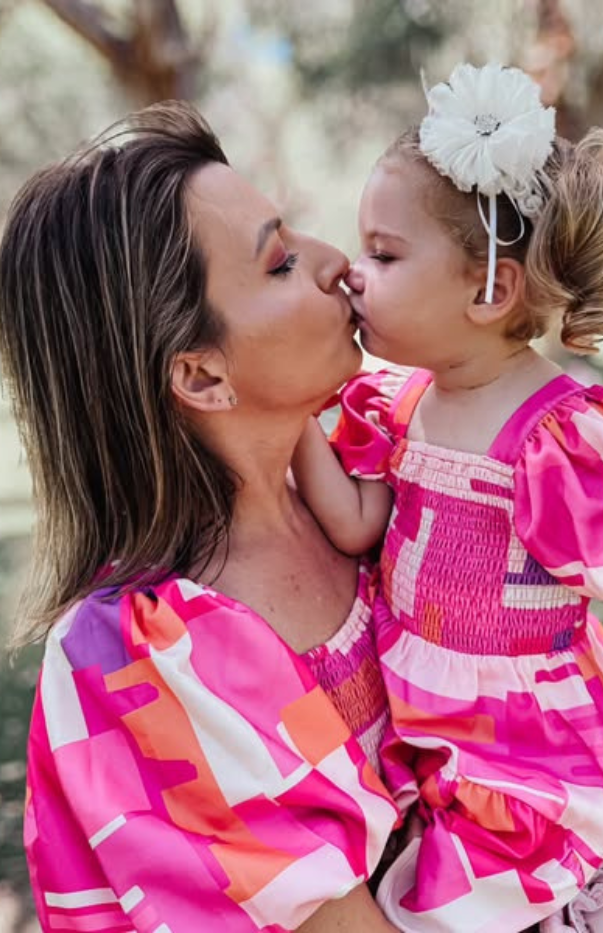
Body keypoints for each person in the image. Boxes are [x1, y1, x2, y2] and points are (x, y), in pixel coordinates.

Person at [292, 62, 603, 932]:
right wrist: (289, 411)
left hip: (526, 753)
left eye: (384, 254)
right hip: (423, 729)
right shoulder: (403, 405)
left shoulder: (557, 435)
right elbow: (360, 522)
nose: (353, 274)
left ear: (492, 291)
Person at [0, 101, 402, 932]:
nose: (337, 263)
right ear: (201, 374)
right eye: (284, 263)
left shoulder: (373, 480)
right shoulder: (135, 660)